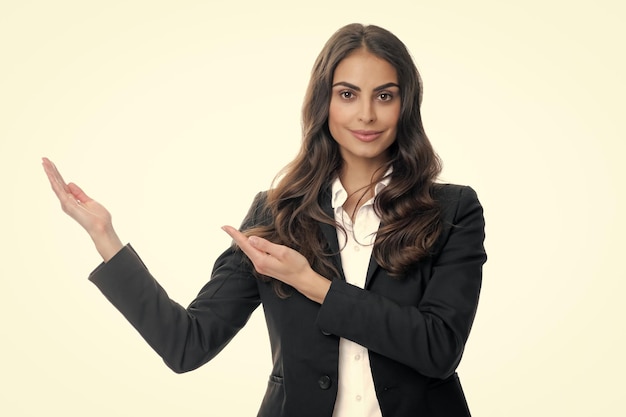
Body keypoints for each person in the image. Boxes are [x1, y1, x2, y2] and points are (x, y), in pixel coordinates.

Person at [43, 23, 486, 417]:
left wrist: (311, 283)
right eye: (347, 94)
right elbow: (187, 344)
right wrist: (105, 236)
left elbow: (438, 350)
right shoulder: (276, 215)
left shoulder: (453, 210)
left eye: (384, 95)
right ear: (323, 103)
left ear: (405, 104)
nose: (366, 114)